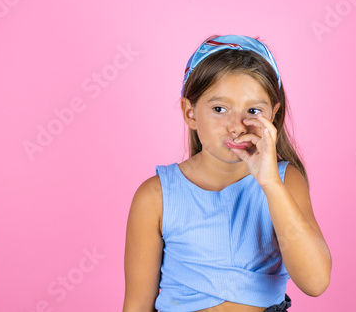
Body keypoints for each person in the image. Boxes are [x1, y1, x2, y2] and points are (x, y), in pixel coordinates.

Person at [123, 35, 332, 312]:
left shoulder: (284, 182)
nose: (236, 126)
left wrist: (269, 183)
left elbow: (315, 282)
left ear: (273, 116)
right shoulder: (155, 196)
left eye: (253, 110)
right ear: (191, 113)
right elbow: (137, 304)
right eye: (219, 109)